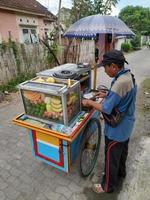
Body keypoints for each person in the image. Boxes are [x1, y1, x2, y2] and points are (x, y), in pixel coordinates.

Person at [82, 50, 137, 193]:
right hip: (127, 125)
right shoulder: (128, 76)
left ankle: (107, 186)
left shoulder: (119, 83)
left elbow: (106, 108)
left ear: (113, 66)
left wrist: (89, 102)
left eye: (105, 67)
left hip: (116, 130)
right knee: (122, 152)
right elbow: (122, 96)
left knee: (110, 157)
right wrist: (107, 94)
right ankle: (121, 173)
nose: (105, 71)